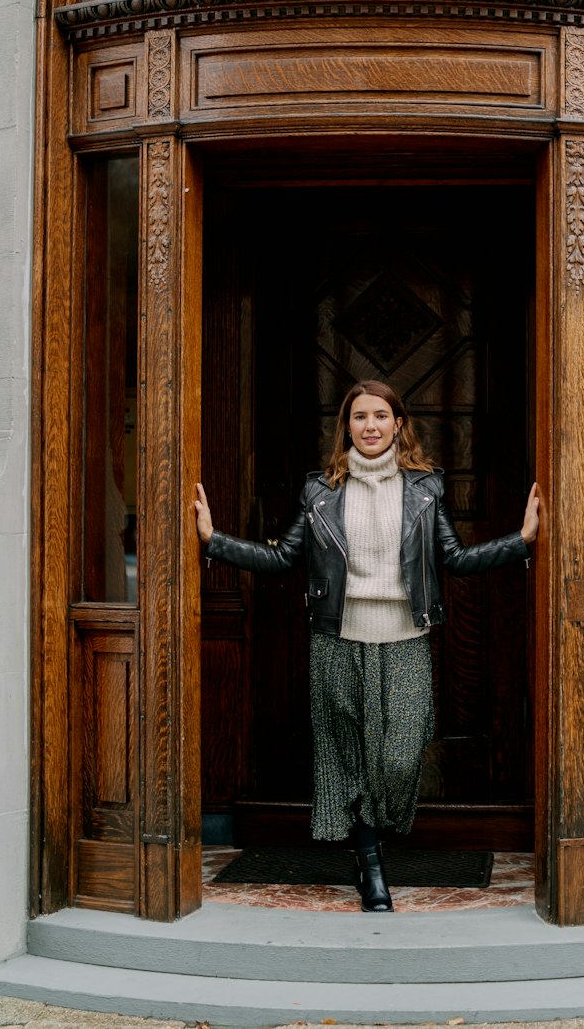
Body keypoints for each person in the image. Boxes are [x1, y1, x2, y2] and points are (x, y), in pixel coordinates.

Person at [193, 378, 540, 913]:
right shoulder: (321, 491)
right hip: (337, 641)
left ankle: (372, 837)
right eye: (359, 417)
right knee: (348, 756)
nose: (370, 426)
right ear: (346, 427)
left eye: (381, 416)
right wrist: (215, 541)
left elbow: (454, 559)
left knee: (400, 759)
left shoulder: (425, 487)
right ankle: (370, 865)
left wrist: (521, 541)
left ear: (398, 424)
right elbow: (285, 558)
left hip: (404, 639)